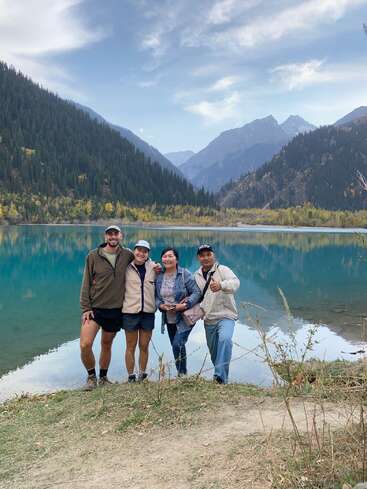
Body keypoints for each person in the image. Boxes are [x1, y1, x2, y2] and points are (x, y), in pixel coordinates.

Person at [80, 225, 133, 390]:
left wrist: (157, 267)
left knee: (106, 344)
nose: (113, 237)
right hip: (95, 309)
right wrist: (85, 307)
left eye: (115, 234)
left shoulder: (127, 255)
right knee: (85, 344)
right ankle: (91, 377)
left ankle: (103, 377)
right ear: (105, 237)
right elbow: (86, 282)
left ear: (121, 236)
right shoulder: (93, 256)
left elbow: (142, 261)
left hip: (115, 309)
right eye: (110, 234)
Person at [194, 244, 240, 384]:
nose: (206, 258)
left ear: (214, 255)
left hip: (226, 316)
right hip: (209, 319)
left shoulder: (223, 269)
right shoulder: (196, 275)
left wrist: (221, 285)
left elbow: (236, 283)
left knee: (225, 340)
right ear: (198, 258)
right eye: (202, 255)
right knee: (215, 354)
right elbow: (195, 295)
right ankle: (222, 381)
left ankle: (219, 377)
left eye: (209, 254)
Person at [155, 248, 201, 377]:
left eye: (170, 256)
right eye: (164, 256)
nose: (167, 259)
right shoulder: (159, 275)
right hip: (169, 317)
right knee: (177, 345)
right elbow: (156, 296)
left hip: (185, 316)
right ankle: (182, 374)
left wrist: (185, 304)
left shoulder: (184, 274)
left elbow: (196, 292)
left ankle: (182, 373)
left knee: (177, 344)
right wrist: (161, 305)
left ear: (177, 259)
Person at [122, 240, 157, 383]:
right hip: (130, 312)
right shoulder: (126, 267)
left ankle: (142, 374)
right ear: (134, 251)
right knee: (130, 346)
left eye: (145, 251)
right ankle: (131, 376)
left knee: (144, 345)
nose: (141, 253)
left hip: (148, 312)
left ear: (148, 254)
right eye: (139, 250)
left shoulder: (154, 267)